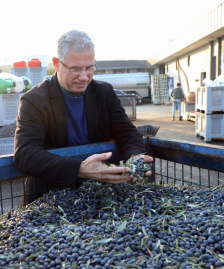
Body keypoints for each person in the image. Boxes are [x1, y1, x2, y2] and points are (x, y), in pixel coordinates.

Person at [14, 29, 153, 204]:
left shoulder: (104, 93)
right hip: (49, 195)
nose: (84, 77)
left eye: (90, 68)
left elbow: (127, 132)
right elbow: (25, 154)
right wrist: (79, 169)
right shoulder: (34, 100)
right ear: (56, 64)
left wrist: (136, 157)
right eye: (75, 69)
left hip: (97, 193)